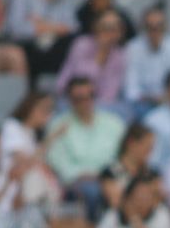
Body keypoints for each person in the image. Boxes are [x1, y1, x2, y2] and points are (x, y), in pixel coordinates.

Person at [47, 76, 127, 220]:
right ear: (69, 100)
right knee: (92, 192)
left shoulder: (114, 123)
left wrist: (106, 177)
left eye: (89, 96)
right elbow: (58, 161)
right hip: (78, 182)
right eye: (79, 98)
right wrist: (82, 176)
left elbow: (123, 156)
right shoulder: (58, 125)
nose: (85, 102)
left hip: (112, 177)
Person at [124, 5, 170, 116]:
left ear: (166, 27)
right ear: (143, 28)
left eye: (159, 26)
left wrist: (166, 98)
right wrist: (148, 98)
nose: (155, 31)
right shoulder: (132, 49)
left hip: (169, 102)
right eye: (150, 27)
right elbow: (131, 87)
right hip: (140, 103)